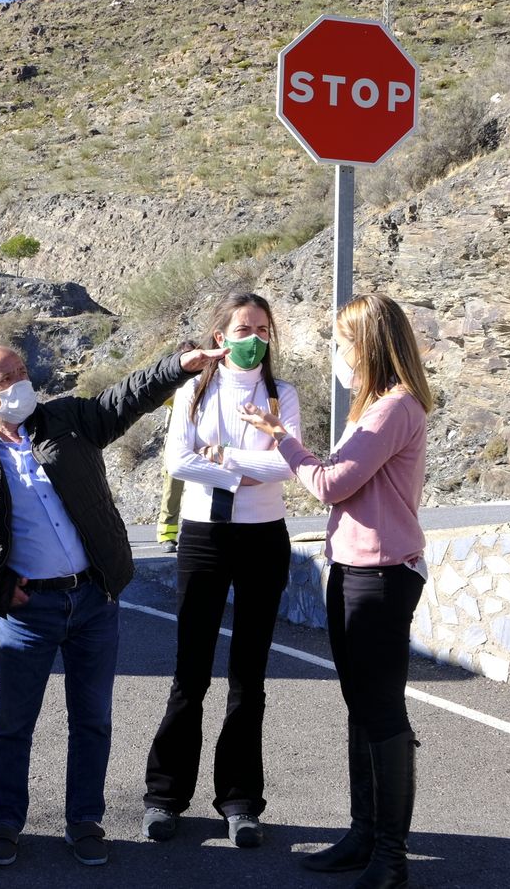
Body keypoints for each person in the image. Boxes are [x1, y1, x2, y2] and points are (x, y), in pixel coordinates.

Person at [0, 341, 224, 868]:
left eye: (22, 370)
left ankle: (84, 821)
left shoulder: (69, 419)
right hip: (27, 611)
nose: (19, 383)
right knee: (13, 723)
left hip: (92, 599)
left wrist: (177, 366)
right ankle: (5, 822)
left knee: (92, 720)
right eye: (5, 378)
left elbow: (126, 398)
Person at [239, 292, 434, 889]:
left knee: (380, 712)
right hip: (353, 570)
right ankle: (363, 835)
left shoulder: (393, 409)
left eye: (343, 341)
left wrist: (282, 438)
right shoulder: (372, 408)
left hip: (379, 577)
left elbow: (330, 484)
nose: (337, 352)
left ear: (368, 345)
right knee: (361, 708)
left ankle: (390, 856)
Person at [141, 293, 301, 848]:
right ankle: (165, 797)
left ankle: (240, 803)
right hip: (205, 538)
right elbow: (179, 462)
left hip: (263, 540)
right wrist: (243, 471)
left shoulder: (284, 395)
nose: (252, 336)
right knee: (191, 674)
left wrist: (223, 459)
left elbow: (288, 464)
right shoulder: (193, 390)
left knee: (248, 679)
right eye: (241, 327)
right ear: (220, 336)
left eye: (261, 327)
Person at [155, 340, 200, 553]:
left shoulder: (207, 380)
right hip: (177, 443)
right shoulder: (173, 382)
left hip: (203, 443)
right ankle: (167, 535)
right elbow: (161, 398)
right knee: (172, 488)